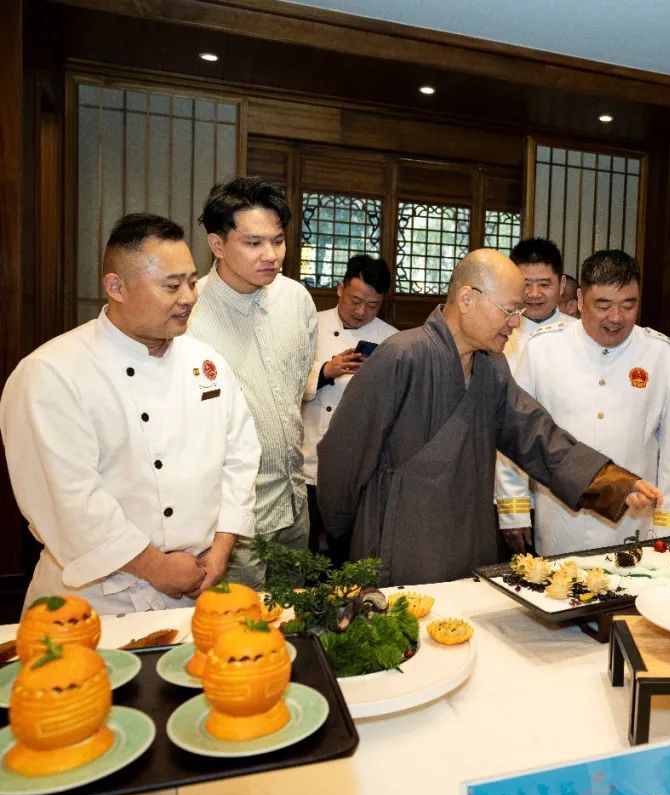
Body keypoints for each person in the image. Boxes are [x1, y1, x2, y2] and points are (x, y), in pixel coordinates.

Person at [317, 249, 663, 585]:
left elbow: (537, 435)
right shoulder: (401, 356)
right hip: (400, 546)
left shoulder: (491, 367)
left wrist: (611, 483)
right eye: (509, 310)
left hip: (469, 542)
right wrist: (349, 532)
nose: (516, 322)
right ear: (467, 299)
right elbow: (342, 459)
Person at [0, 214, 260, 614]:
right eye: (171, 286)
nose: (189, 297)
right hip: (92, 602)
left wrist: (221, 548)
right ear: (115, 287)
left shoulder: (206, 362)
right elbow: (69, 499)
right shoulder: (51, 373)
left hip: (195, 590)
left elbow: (241, 457)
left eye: (192, 281)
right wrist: (158, 568)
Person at [498, 249, 670, 555]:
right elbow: (517, 432)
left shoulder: (662, 354)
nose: (616, 318)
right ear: (579, 298)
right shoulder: (542, 349)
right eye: (603, 305)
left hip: (635, 522)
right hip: (561, 518)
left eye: (628, 305)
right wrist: (514, 508)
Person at [187, 177, 317, 588]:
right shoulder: (188, 317)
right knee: (240, 635)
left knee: (296, 626)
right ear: (217, 244)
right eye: (254, 243)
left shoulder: (296, 300)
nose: (272, 255)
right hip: (232, 520)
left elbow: (297, 389)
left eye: (278, 241)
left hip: (294, 502)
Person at [301, 255, 397, 564]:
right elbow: (283, 384)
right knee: (310, 550)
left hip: (356, 466)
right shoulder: (309, 324)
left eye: (372, 306)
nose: (361, 312)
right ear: (340, 289)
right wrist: (326, 371)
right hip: (308, 457)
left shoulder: (392, 340)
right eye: (355, 300)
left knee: (349, 551)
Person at [496, 238, 567, 543]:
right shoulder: (496, 333)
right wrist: (514, 508)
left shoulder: (578, 336)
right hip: (503, 486)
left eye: (545, 284)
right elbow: (503, 423)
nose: (535, 294)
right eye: (526, 284)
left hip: (561, 489)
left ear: (561, 284)